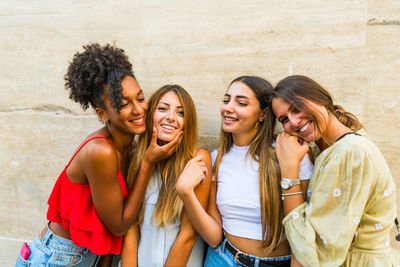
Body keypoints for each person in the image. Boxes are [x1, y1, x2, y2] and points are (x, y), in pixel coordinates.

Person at [15, 44, 181, 267]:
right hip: (60, 257)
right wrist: (149, 162)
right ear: (102, 114)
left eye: (140, 98)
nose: (139, 109)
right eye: (124, 104)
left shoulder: (129, 146)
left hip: (88, 257)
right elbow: (119, 226)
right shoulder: (100, 151)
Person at [176, 76, 314, 267]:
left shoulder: (290, 153)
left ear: (263, 114)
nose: (228, 108)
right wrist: (186, 194)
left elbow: (303, 223)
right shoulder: (217, 158)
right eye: (226, 100)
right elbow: (214, 237)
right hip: (223, 258)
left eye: (241, 102)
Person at [271, 75, 399, 266]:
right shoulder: (326, 146)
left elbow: (313, 253)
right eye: (284, 119)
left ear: (321, 98)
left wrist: (289, 170)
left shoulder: (349, 152)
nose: (294, 121)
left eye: (297, 108)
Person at [120, 84, 212, 267]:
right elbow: (130, 228)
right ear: (150, 115)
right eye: (162, 109)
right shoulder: (134, 158)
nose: (171, 117)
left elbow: (188, 235)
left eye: (181, 113)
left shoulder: (198, 160)